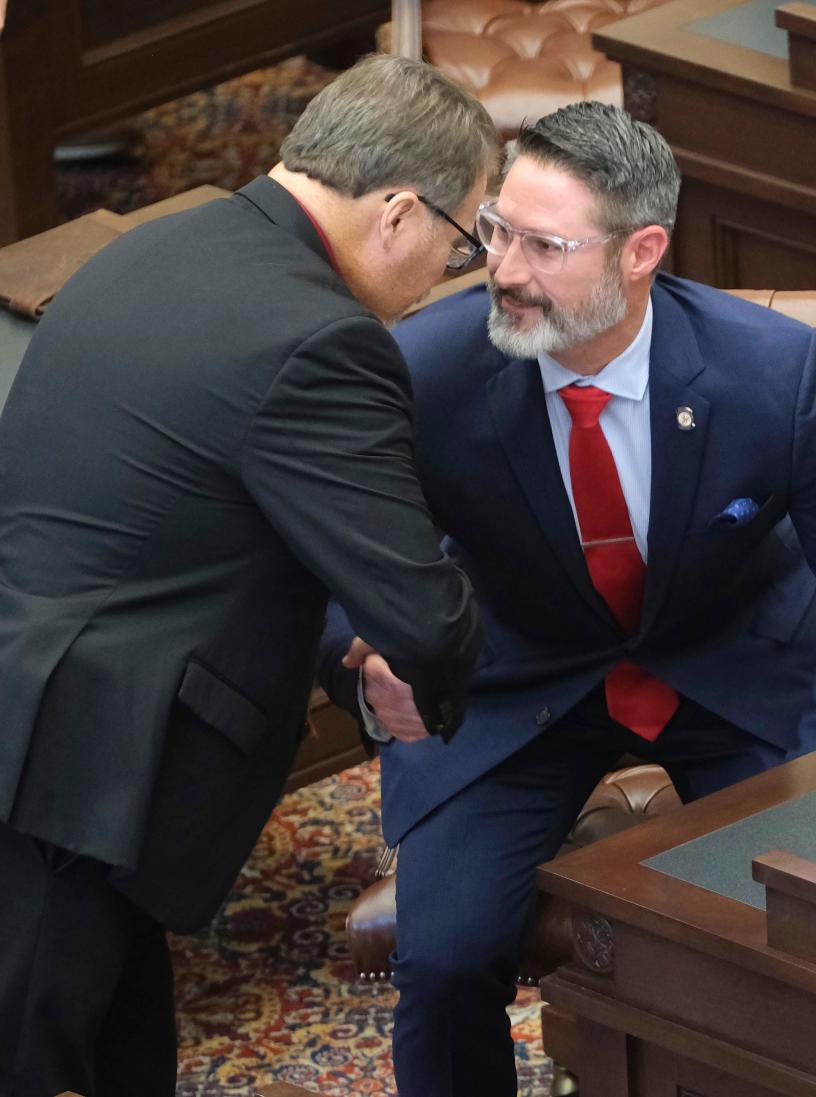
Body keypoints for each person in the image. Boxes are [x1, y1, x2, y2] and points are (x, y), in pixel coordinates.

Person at [317, 101, 816, 1097]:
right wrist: (369, 656)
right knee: (445, 958)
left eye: (546, 246)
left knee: (809, 940)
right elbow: (339, 553)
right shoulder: (425, 366)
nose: (506, 270)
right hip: (510, 680)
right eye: (498, 230)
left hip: (730, 666)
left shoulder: (767, 371)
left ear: (642, 249)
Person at [0, 54, 499, 1097]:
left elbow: (216, 527)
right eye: (465, 238)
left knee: (116, 1041)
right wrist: (419, 674)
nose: (462, 268)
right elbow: (420, 607)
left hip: (39, 719)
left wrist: (351, 649)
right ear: (400, 213)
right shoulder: (319, 338)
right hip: (86, 766)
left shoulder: (153, 245)